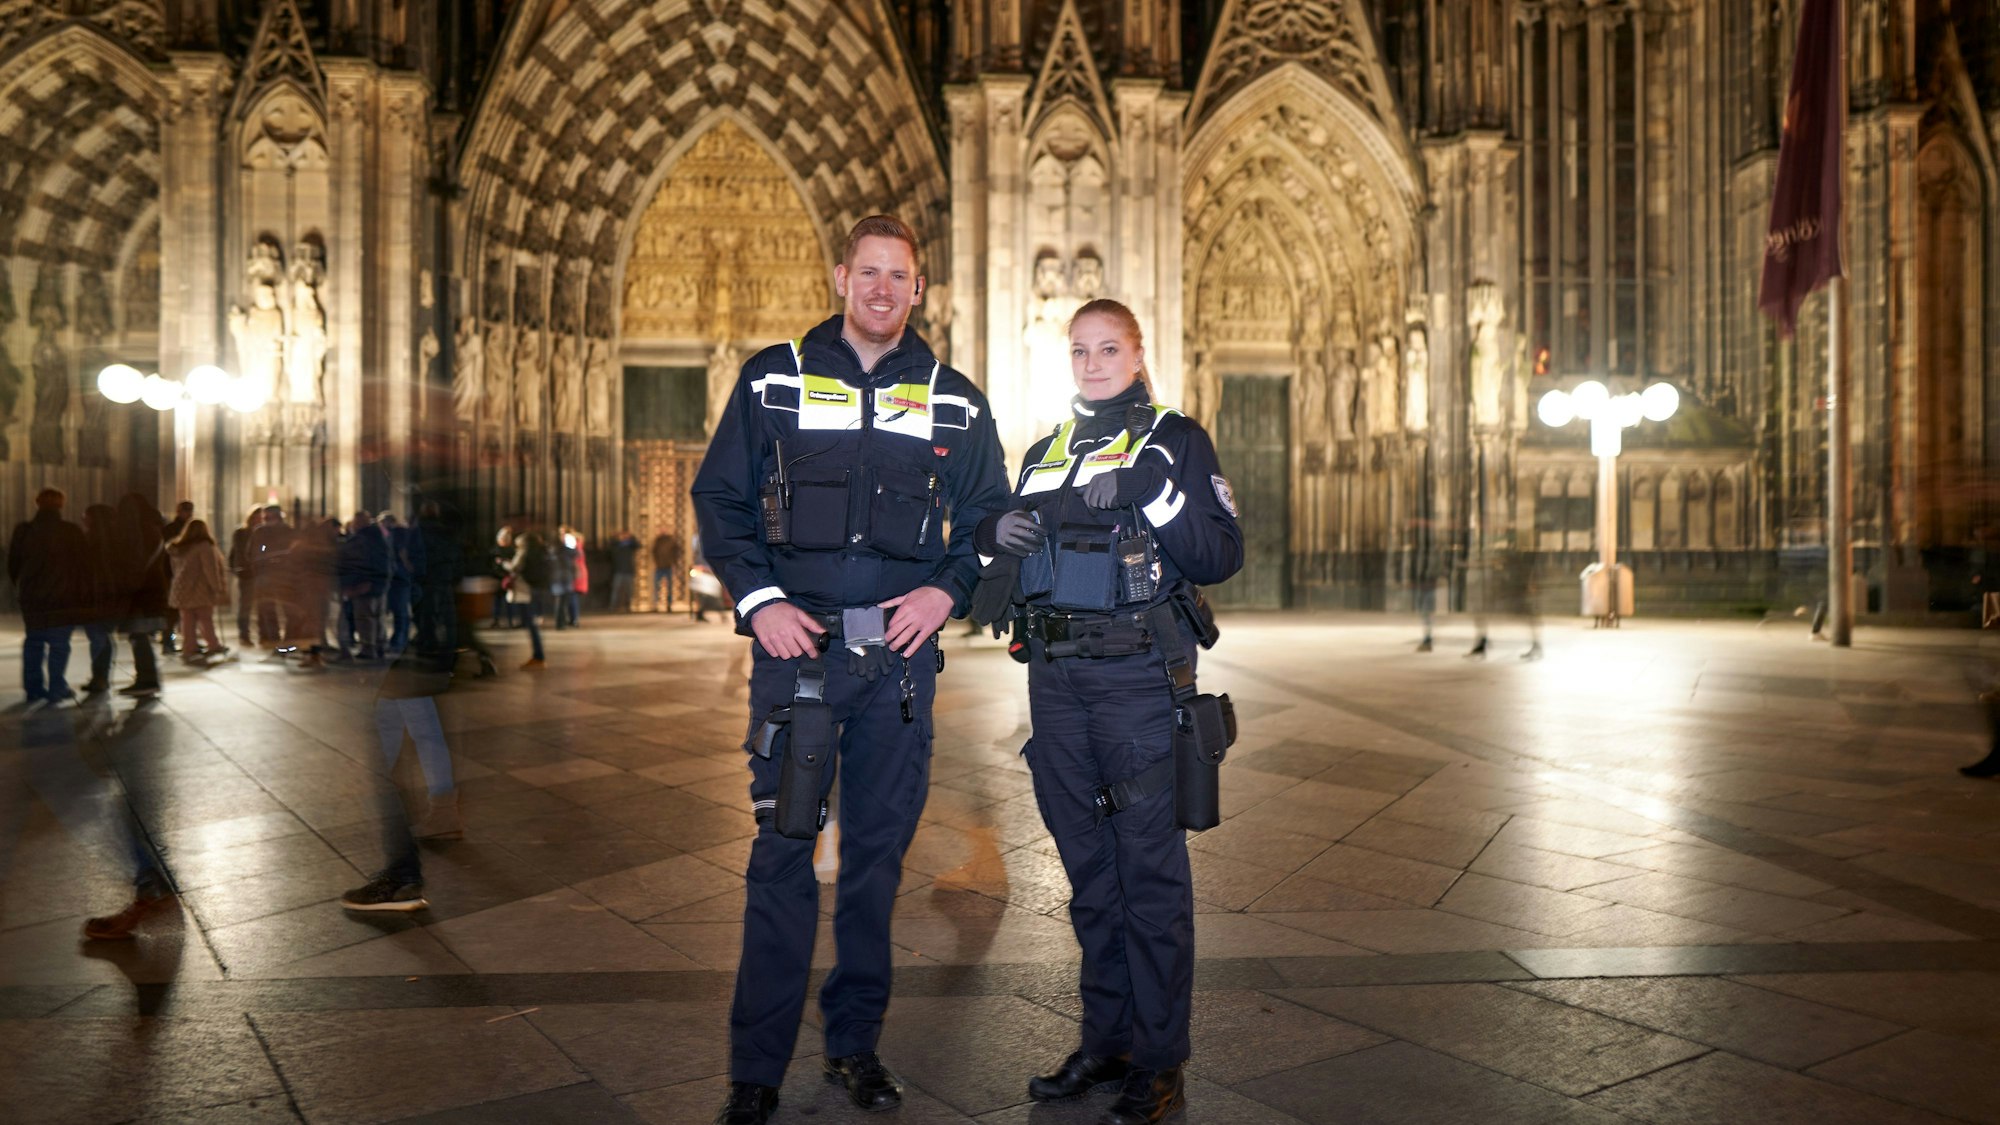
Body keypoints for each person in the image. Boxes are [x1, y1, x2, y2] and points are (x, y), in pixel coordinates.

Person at [692, 214, 1008, 1125]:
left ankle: (854, 1045)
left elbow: (989, 516)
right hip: (798, 662)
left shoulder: (954, 400)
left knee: (875, 866)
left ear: (919, 289)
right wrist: (760, 600)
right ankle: (756, 1069)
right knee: (781, 855)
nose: (881, 289)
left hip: (896, 670)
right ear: (840, 278)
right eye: (867, 272)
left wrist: (946, 590)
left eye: (897, 276)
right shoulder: (775, 377)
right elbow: (720, 496)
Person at [974, 298, 1242, 1125]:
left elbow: (1218, 552)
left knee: (1148, 876)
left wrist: (1155, 494)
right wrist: (992, 536)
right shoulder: (1045, 450)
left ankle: (1159, 1060)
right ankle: (1108, 1041)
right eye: (1081, 350)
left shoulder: (1175, 440)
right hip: (1054, 682)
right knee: (1090, 875)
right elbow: (999, 565)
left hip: (1136, 681)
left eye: (1108, 349)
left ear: (1136, 354)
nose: (1093, 364)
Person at [7, 488, 86, 705]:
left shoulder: (24, 530)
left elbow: (13, 564)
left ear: (37, 503)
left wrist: (21, 587)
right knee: (59, 644)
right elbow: (82, 565)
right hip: (64, 596)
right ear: (61, 505)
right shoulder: (71, 531)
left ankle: (33, 689)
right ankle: (57, 688)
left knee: (34, 642)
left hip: (32, 597)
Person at [113, 493, 172, 697]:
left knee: (139, 636)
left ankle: (147, 679)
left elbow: (135, 563)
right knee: (140, 636)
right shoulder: (153, 529)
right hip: (151, 591)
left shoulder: (139, 531)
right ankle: (147, 678)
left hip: (142, 593)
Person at [166, 519, 231, 661]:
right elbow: (210, 569)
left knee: (187, 619)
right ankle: (213, 645)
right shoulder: (204, 547)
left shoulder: (179, 548)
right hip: (200, 587)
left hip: (181, 587)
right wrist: (217, 588)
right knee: (205, 618)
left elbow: (174, 568)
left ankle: (189, 647)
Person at [78, 504, 122, 694]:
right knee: (102, 636)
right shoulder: (117, 540)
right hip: (110, 597)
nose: (83, 519)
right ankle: (101, 676)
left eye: (86, 515)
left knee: (98, 637)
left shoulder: (90, 540)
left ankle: (100, 677)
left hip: (94, 597)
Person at [337, 510, 390, 660]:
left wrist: (353, 585)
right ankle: (380, 646)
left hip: (363, 585)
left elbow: (355, 564)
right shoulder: (380, 537)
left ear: (359, 522)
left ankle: (368, 648)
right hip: (379, 584)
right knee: (377, 617)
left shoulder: (360, 540)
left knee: (365, 618)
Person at [508, 524, 553, 669]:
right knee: (532, 623)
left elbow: (515, 568)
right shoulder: (543, 551)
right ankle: (538, 656)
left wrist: (503, 564)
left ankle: (538, 657)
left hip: (527, 590)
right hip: (539, 588)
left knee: (531, 624)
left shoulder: (525, 553)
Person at [380, 511, 423, 652]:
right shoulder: (407, 533)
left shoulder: (397, 533)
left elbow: (401, 552)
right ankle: (400, 639)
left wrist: (406, 566)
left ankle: (399, 640)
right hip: (403, 577)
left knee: (399, 610)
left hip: (399, 577)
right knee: (401, 610)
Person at [158, 500, 193, 654]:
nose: (188, 514)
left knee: (183, 612)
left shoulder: (189, 528)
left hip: (182, 573)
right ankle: (168, 640)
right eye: (185, 510)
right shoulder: (171, 529)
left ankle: (185, 641)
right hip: (172, 574)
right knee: (172, 612)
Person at [228, 506, 262, 646]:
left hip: (258, 573)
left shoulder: (261, 533)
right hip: (247, 573)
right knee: (246, 605)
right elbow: (237, 552)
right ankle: (244, 634)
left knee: (261, 605)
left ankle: (261, 633)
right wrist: (237, 568)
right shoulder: (242, 533)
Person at [607, 530, 640, 612]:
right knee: (615, 589)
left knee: (629, 590)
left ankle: (628, 605)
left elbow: (638, 545)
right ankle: (612, 606)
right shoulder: (616, 546)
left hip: (628, 571)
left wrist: (631, 537)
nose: (624, 538)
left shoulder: (629, 546)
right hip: (618, 571)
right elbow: (611, 546)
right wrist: (615, 537)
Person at [651, 529, 681, 611]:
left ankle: (669, 604)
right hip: (659, 566)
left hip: (668, 566)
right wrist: (656, 562)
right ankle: (655, 604)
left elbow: (676, 552)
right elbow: (654, 552)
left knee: (669, 586)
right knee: (656, 586)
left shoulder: (671, 541)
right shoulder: (658, 541)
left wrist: (674, 563)